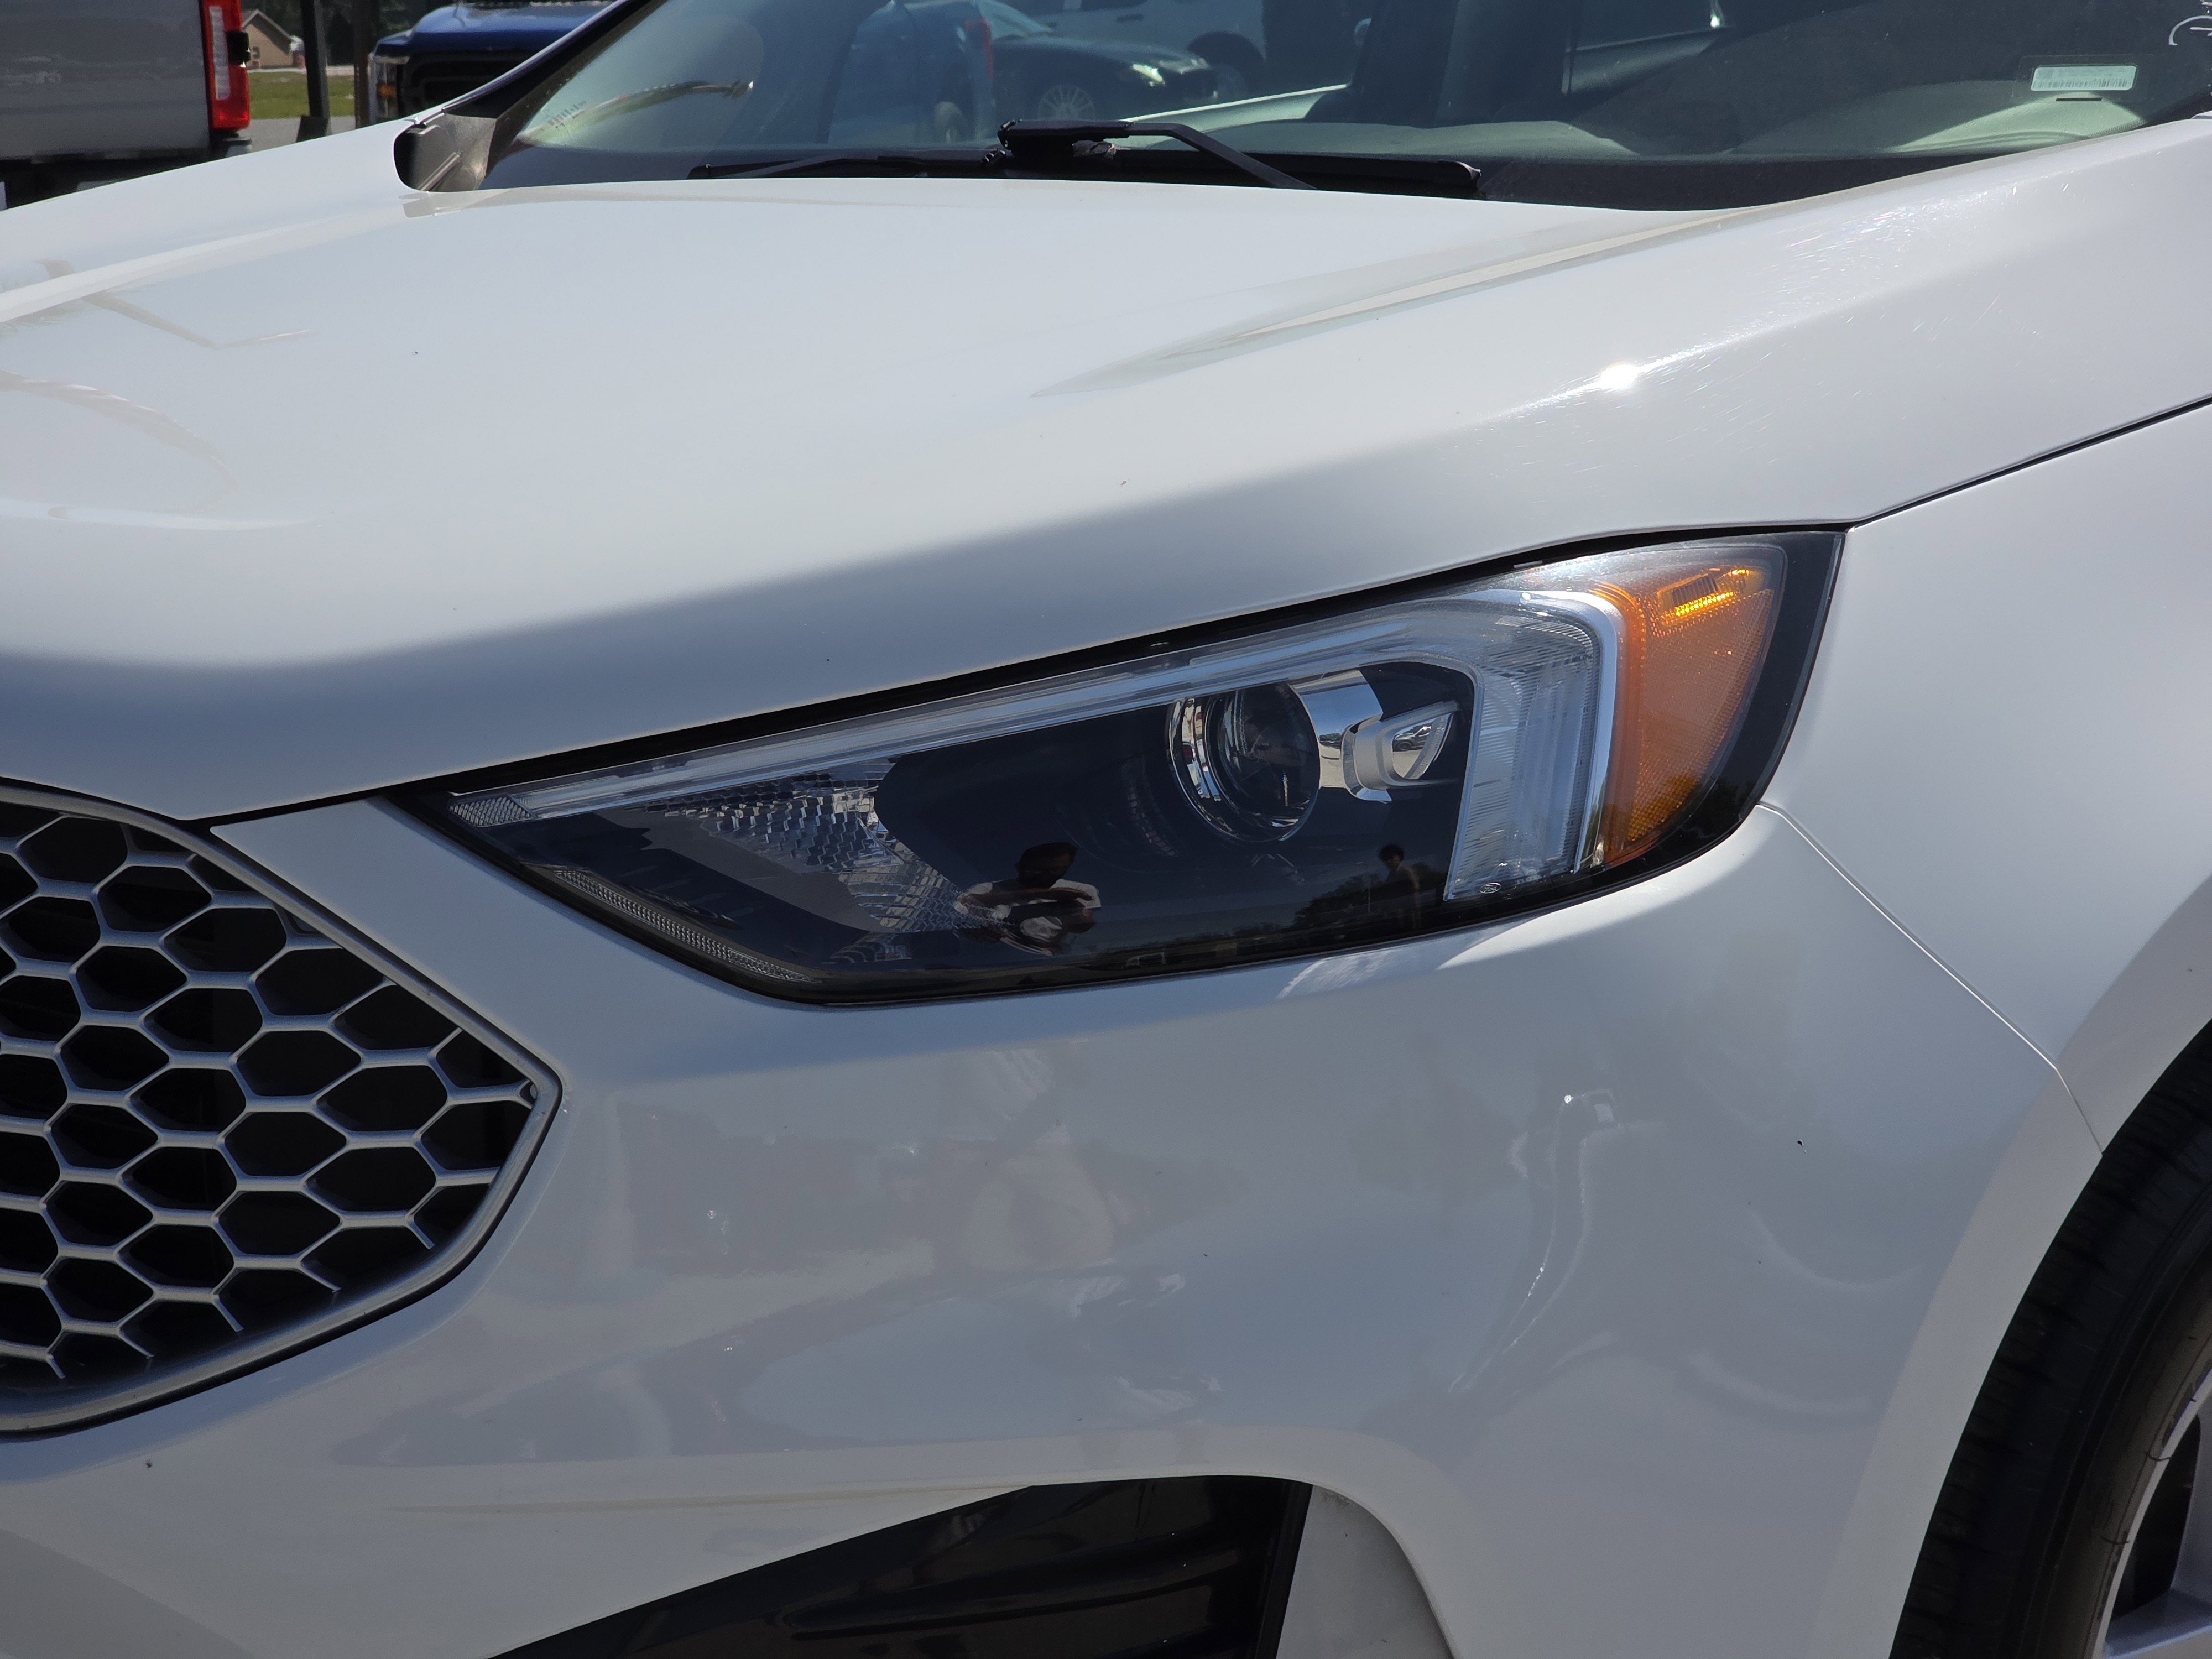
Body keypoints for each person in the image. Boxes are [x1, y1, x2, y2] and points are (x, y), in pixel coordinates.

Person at [954, 842, 1102, 955]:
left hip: (1047, 960)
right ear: (1018, 867)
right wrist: (1036, 894)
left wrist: (1080, 918)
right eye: (1035, 870)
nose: (1044, 876)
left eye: (1055, 871)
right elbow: (964, 904)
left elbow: (1084, 931)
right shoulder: (989, 889)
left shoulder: (1080, 891)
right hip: (995, 956)